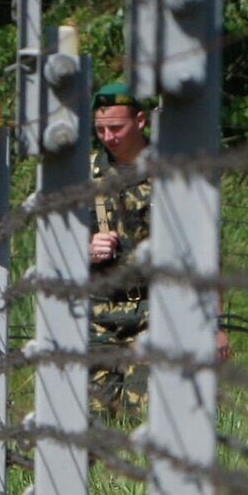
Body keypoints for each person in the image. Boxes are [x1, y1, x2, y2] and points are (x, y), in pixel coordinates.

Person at [88, 82, 227, 416]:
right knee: (91, 428)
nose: (109, 137)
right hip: (97, 318)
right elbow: (54, 247)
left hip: (158, 315)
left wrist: (217, 326)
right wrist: (85, 248)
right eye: (101, 129)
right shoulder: (81, 175)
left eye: (116, 127)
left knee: (148, 419)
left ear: (140, 121)